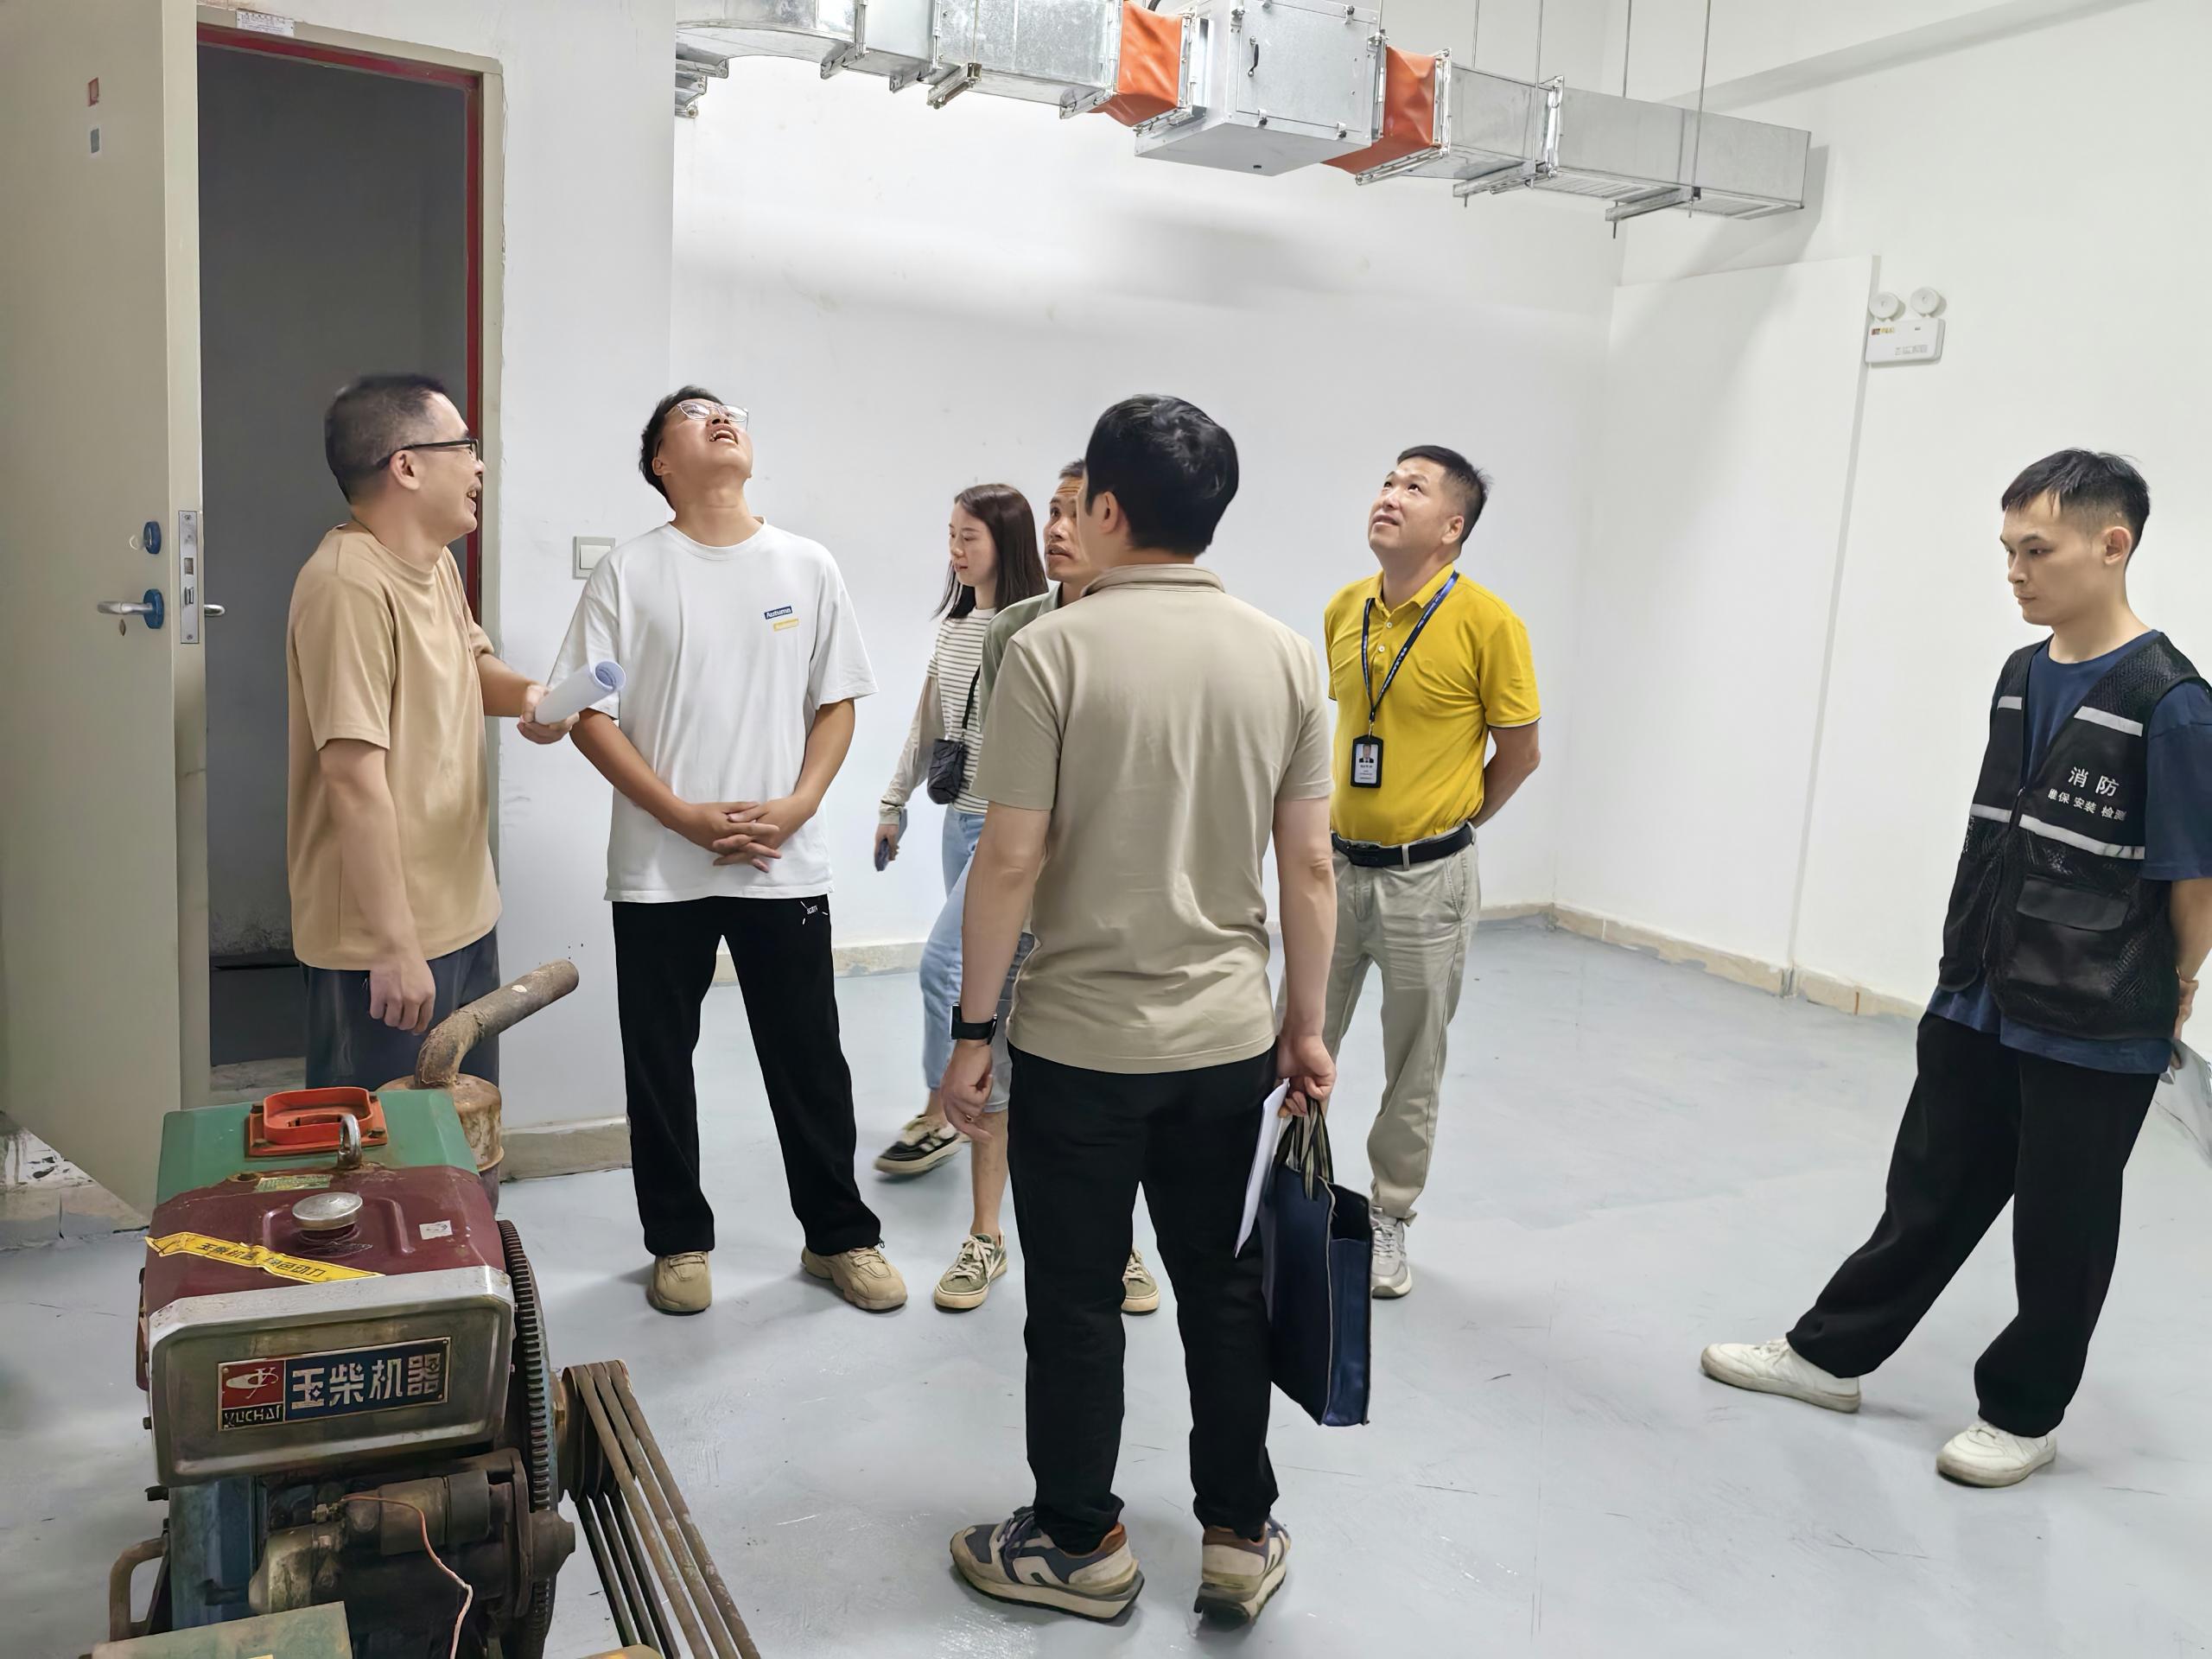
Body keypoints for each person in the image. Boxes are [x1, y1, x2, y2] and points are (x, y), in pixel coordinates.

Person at [1702, 450, 2212, 1489]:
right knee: (1928, 1190)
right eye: (2007, 551)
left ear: (2111, 546)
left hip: (2095, 1014)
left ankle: (2022, 1414)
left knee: (2061, 1225)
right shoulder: (2021, 674)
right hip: (1979, 989)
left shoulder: (2173, 702)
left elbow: (2193, 885)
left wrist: (2174, 990)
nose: (2015, 572)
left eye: (2037, 550)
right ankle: (1828, 1356)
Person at [941, 397, 1338, 1627]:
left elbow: (1011, 858)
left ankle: (1078, 1545)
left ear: (1109, 509)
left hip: (1078, 1045)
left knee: (1074, 1297)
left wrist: (971, 1033)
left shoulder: (1050, 652)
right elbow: (1309, 865)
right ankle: (1238, 1535)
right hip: (1227, 1041)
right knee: (1222, 1289)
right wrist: (1306, 1026)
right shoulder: (1285, 653)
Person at [549, 387, 905, 1318]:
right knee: (660, 1063)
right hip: (658, 866)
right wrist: (680, 815)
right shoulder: (629, 571)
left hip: (781, 860)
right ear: (660, 463)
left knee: (809, 1057)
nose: (722, 418)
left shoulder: (806, 563)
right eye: (694, 413)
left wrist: (798, 806)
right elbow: (586, 714)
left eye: (730, 411)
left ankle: (840, 1237)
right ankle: (677, 1241)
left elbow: (837, 701)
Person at [901, 462, 1162, 1316]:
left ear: (1116, 525)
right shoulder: (1015, 628)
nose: (1057, 527)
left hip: (1107, 894)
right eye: (1050, 511)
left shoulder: (1146, 635)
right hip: (1015, 868)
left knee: (1107, 1077)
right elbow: (1002, 773)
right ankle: (986, 1236)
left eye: (1076, 512)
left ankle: (1120, 1242)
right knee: (996, 1060)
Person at [288, 373, 571, 1091]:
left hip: (463, 912)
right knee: (389, 1145)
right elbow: (352, 777)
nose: (480, 466)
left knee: (466, 1126)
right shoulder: (347, 584)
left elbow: (470, 662)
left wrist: (530, 696)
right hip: (385, 940)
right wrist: (394, 945)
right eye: (465, 447)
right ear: (407, 466)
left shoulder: (434, 563)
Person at [1315, 447, 1541, 1298]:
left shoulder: (1490, 624)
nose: (1388, 495)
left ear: (1451, 527)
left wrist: (1453, 823)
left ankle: (1389, 1216)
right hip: (1335, 870)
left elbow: (1519, 753)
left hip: (1427, 882)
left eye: (1412, 487)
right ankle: (1287, 1193)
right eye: (1387, 480)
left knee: (1413, 1062)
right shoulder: (1344, 609)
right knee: (1298, 1042)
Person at [870, 484, 1046, 1186]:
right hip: (957, 820)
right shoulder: (954, 628)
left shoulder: (1036, 628)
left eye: (969, 536)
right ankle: (985, 1103)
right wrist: (893, 803)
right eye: (951, 535)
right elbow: (929, 725)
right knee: (987, 978)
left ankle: (940, 1111)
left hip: (1008, 828)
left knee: (945, 964)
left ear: (1006, 541)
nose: (955, 550)